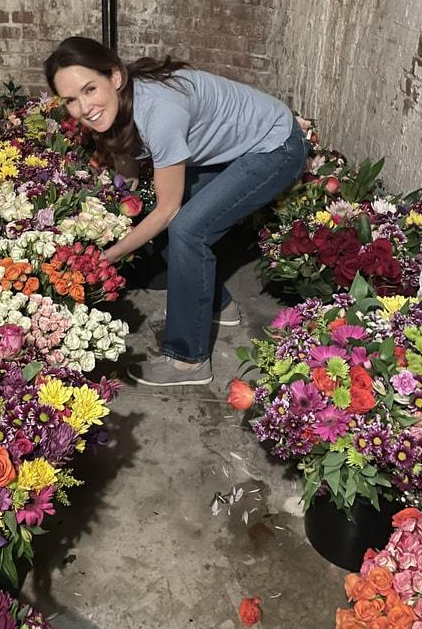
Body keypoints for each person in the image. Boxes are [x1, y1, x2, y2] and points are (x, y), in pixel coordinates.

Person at [44, 36, 307, 387]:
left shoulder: (160, 112)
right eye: (71, 100)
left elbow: (169, 211)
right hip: (238, 149)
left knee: (186, 229)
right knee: (155, 212)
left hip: (275, 146)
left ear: (115, 77)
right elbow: (127, 160)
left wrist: (109, 256)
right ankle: (218, 306)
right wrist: (114, 211)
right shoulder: (119, 102)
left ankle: (188, 360)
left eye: (90, 89)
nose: (84, 108)